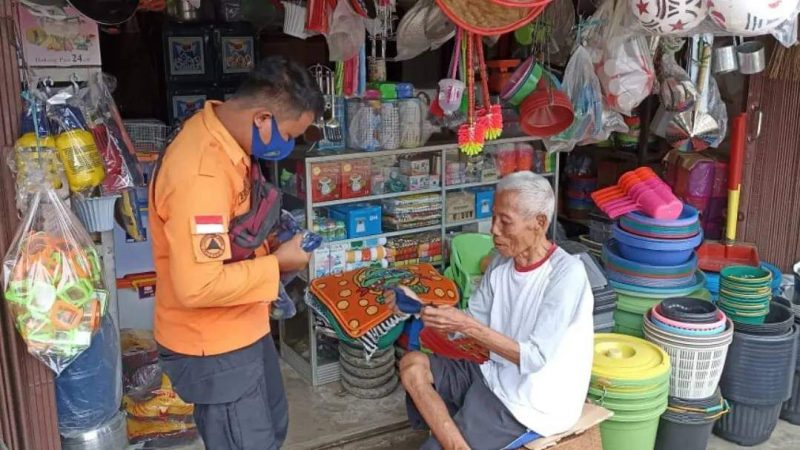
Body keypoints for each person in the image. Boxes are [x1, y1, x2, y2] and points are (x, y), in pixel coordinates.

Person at [149, 56, 324, 450]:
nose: (291, 145)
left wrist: (274, 239)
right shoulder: (200, 174)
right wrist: (279, 264)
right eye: (291, 135)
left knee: (271, 427)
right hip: (213, 343)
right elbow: (200, 286)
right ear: (263, 118)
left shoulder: (226, 139)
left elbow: (233, 234)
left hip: (244, 325)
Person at [394, 171, 594, 450]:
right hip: (494, 376)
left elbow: (534, 358)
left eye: (505, 221)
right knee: (413, 365)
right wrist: (424, 309)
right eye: (494, 218)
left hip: (534, 404)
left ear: (539, 223)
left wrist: (464, 325)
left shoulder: (566, 274)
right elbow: (471, 322)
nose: (494, 230)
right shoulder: (501, 264)